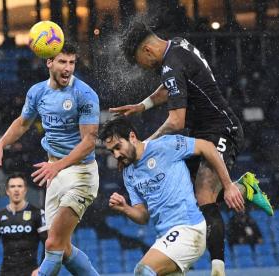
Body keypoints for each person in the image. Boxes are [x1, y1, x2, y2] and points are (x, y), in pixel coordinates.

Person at [111, 21, 273, 276]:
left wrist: (145, 145)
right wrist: (142, 106)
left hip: (221, 129)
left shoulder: (171, 65)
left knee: (204, 195)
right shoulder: (175, 44)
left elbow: (176, 122)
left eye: (138, 62)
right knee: (180, 189)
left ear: (147, 51)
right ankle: (245, 186)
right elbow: (170, 86)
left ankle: (218, 269)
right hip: (202, 130)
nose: (141, 68)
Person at [0, 43, 100, 276]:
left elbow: (89, 141)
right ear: (49, 62)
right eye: (62, 62)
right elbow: (23, 122)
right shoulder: (37, 92)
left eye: (72, 63)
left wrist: (57, 165)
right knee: (63, 248)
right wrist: (0, 144)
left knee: (52, 244)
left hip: (81, 173)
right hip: (55, 171)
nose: (68, 68)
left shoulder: (85, 93)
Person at [99, 116, 245, 275]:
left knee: (143, 271)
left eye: (118, 147)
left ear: (132, 137)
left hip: (188, 228)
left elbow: (207, 147)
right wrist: (124, 208)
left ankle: (243, 185)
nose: (116, 154)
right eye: (112, 151)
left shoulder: (165, 145)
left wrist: (228, 185)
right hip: (164, 236)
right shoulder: (128, 173)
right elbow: (143, 217)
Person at [0, 173, 47, 276]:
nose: (16, 190)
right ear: (7, 191)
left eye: (20, 186)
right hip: (6, 272)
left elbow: (48, 244)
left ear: (25, 190)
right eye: (12, 186)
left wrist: (41, 268)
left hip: (30, 272)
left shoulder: (37, 214)